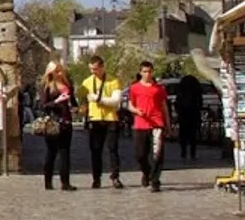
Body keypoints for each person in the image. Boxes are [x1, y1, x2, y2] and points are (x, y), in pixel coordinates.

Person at [79, 56, 125, 190]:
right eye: (91, 69)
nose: (93, 72)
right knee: (95, 150)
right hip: (95, 118)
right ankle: (96, 178)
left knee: (113, 149)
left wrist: (98, 99)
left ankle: (115, 177)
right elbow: (81, 98)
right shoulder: (87, 82)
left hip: (111, 118)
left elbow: (116, 101)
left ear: (102, 67)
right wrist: (82, 106)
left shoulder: (113, 81)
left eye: (96, 69)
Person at [127, 62, 169, 191]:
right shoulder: (134, 88)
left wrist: (168, 123)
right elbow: (130, 105)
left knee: (157, 154)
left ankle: (155, 180)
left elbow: (164, 107)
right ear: (140, 73)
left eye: (149, 71)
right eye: (144, 71)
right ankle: (147, 172)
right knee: (140, 155)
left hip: (157, 124)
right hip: (140, 124)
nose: (147, 74)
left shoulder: (159, 89)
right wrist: (136, 111)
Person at [37, 62, 76, 191]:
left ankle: (65, 182)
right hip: (53, 122)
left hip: (66, 121)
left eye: (61, 70)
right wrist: (57, 101)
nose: (60, 73)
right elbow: (43, 105)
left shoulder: (67, 84)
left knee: (65, 152)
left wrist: (75, 108)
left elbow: (73, 100)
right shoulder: (46, 86)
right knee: (51, 152)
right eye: (57, 71)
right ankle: (48, 181)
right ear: (51, 72)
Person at [174, 74, 204, 162]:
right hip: (193, 115)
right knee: (193, 135)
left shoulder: (181, 92)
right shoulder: (197, 93)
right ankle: (192, 153)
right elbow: (200, 104)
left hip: (183, 116)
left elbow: (177, 104)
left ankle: (183, 151)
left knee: (183, 134)